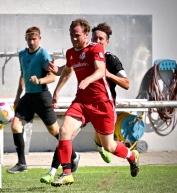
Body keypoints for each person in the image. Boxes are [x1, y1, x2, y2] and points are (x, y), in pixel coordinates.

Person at [49, 18, 139, 187]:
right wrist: (57, 88)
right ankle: (67, 173)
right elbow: (67, 70)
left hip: (102, 103)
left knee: (109, 146)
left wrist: (88, 80)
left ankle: (132, 156)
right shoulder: (71, 53)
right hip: (82, 101)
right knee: (64, 131)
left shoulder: (95, 49)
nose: (73, 38)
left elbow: (100, 71)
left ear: (85, 34)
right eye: (71, 35)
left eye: (76, 35)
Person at [7, 26, 79, 174]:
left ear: (40, 38)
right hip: (27, 97)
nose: (32, 41)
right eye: (29, 39)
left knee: (55, 131)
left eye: (34, 39)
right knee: (15, 125)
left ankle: (73, 155)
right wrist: (17, 97)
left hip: (42, 96)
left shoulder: (43, 54)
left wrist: (39, 80)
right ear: (25, 39)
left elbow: (53, 77)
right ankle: (21, 163)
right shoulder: (21, 54)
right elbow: (23, 75)